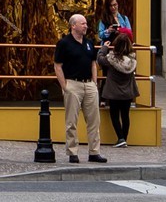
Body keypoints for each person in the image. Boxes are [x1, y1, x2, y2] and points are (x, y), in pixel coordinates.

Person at [54, 12, 105, 163]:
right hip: (73, 84)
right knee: (71, 121)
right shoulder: (64, 43)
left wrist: (94, 83)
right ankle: (72, 152)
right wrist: (65, 87)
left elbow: (93, 63)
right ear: (73, 26)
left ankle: (94, 152)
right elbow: (57, 66)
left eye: (86, 24)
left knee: (94, 120)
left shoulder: (89, 43)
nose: (86, 26)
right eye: (82, 24)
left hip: (89, 84)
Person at [97, 24, 138, 146]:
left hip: (114, 92)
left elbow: (100, 58)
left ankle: (120, 138)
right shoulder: (132, 59)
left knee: (114, 115)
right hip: (128, 92)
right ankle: (124, 138)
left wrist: (104, 48)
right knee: (125, 115)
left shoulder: (111, 59)